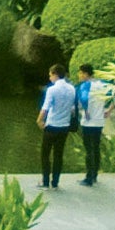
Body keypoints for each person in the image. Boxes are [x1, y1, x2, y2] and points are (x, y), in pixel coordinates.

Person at [75, 60, 115, 185]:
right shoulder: (103, 84)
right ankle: (95, 175)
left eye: (80, 74)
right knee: (96, 148)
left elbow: (83, 99)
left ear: (85, 74)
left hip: (88, 121)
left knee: (88, 150)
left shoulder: (85, 86)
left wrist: (85, 109)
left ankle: (88, 177)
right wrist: (109, 111)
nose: (79, 76)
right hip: (100, 121)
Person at [36, 62, 77, 190]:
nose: (49, 78)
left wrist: (39, 120)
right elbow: (72, 109)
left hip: (52, 125)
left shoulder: (52, 90)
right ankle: (55, 182)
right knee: (58, 154)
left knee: (45, 154)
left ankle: (45, 181)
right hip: (64, 126)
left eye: (50, 75)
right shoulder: (72, 89)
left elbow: (45, 108)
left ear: (55, 74)